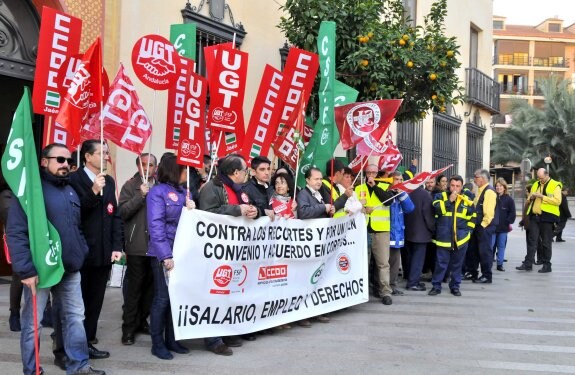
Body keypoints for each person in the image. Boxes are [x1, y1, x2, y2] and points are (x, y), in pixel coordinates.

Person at [7, 143, 105, 375]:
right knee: (33, 324)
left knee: (74, 318)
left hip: (69, 268)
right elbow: (16, 232)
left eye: (69, 161)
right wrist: (25, 270)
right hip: (40, 271)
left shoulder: (70, 189)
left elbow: (76, 225)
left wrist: (80, 251)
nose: (65, 165)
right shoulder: (31, 191)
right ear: (44, 161)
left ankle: (79, 365)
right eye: (59, 160)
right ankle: (32, 371)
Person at [67, 140, 123, 359]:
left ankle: (88, 342)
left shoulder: (108, 181)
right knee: (75, 303)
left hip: (103, 252)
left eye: (107, 153)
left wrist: (117, 246)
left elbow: (114, 215)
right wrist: (93, 191)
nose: (105, 157)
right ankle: (70, 346)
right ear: (87, 157)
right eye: (101, 153)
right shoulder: (73, 180)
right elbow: (74, 213)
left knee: (95, 302)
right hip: (81, 253)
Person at [199, 153, 256, 354]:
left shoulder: (239, 189)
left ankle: (226, 330)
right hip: (216, 251)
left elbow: (241, 208)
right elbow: (207, 214)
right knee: (214, 294)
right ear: (235, 172)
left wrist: (252, 211)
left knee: (230, 293)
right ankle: (213, 339)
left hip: (234, 250)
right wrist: (236, 210)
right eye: (244, 170)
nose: (246, 173)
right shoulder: (211, 189)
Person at [146, 154, 194, 360]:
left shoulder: (184, 192)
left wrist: (191, 208)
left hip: (181, 252)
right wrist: (165, 255)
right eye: (184, 170)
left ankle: (172, 339)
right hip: (163, 254)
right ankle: (157, 343)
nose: (187, 174)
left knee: (175, 298)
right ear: (175, 170)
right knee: (162, 298)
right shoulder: (157, 193)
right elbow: (155, 226)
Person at [118, 153, 157, 345]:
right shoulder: (130, 185)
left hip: (155, 247)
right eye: (143, 164)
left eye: (150, 165)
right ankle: (128, 329)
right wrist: (140, 195)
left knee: (150, 289)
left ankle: (142, 321)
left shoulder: (159, 186)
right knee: (134, 290)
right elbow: (122, 212)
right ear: (137, 166)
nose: (146, 168)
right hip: (136, 245)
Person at [296, 167, 333, 324]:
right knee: (306, 278)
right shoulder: (303, 194)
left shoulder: (320, 193)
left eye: (320, 179)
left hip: (319, 242)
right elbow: (304, 212)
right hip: (309, 243)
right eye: (316, 179)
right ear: (308, 180)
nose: (319, 182)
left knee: (317, 277)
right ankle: (303, 314)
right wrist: (323, 208)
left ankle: (316, 310)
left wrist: (329, 210)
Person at [354, 164, 396, 305]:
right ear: (365, 173)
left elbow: (389, 201)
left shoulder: (384, 187)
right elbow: (353, 207)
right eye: (368, 172)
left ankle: (385, 291)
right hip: (363, 230)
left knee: (383, 263)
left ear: (377, 173)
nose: (371, 175)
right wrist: (364, 208)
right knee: (363, 263)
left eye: (373, 172)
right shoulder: (359, 188)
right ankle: (362, 291)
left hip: (381, 231)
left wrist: (374, 187)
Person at [428, 175, 476, 297]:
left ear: (462, 187)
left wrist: (468, 232)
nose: (455, 188)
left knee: (457, 265)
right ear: (449, 185)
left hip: (461, 239)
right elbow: (438, 210)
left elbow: (473, 217)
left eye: (458, 186)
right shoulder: (440, 196)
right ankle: (436, 286)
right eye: (453, 185)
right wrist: (450, 200)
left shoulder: (467, 200)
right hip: (444, 238)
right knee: (440, 264)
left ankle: (455, 286)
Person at [516, 168, 562, 273]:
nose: (539, 179)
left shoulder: (555, 185)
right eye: (538, 177)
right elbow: (529, 199)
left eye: (541, 177)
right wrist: (531, 197)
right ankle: (528, 263)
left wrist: (542, 196)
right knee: (532, 240)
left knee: (546, 242)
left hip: (547, 217)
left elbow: (557, 201)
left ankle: (547, 265)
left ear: (547, 175)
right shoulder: (536, 184)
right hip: (534, 217)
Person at [464, 169, 498, 284]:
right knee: (473, 250)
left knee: (484, 252)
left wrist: (483, 226)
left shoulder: (489, 192)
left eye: (476, 177)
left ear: (482, 179)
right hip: (477, 226)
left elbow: (489, 213)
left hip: (484, 227)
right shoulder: (480, 190)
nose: (474, 179)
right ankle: (472, 272)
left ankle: (487, 275)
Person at [387, 171, 414, 295]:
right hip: (385, 234)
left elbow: (409, 208)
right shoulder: (387, 194)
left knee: (394, 263)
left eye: (400, 179)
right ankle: (382, 287)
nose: (399, 182)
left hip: (397, 235)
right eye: (396, 179)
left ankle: (392, 286)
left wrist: (401, 194)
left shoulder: (401, 195)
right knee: (383, 265)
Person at [404, 184, 435, 291]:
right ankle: (413, 283)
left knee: (411, 257)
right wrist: (433, 229)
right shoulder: (425, 195)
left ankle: (412, 279)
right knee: (418, 259)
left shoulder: (406, 193)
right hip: (421, 233)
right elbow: (428, 216)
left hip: (408, 231)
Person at [493, 178, 516, 272]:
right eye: (497, 186)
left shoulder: (509, 199)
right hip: (492, 227)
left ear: (504, 187)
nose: (498, 188)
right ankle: (488, 262)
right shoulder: (492, 197)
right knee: (490, 246)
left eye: (500, 186)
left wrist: (508, 221)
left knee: (501, 246)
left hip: (503, 228)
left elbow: (512, 213)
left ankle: (500, 264)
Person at [242, 156, 274, 220]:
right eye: (262, 169)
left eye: (268, 169)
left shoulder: (272, 188)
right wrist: (263, 212)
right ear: (253, 172)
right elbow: (247, 212)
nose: (267, 173)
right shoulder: (246, 189)